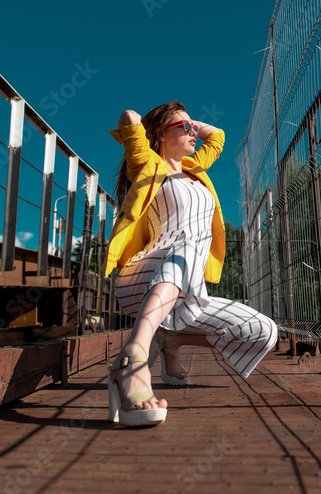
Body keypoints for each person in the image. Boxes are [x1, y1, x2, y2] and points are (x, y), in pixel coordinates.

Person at [104, 101, 278, 426]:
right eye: (183, 128)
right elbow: (128, 117)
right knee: (184, 245)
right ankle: (134, 358)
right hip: (143, 279)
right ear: (159, 134)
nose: (193, 132)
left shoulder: (195, 167)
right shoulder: (146, 164)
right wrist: (165, 124)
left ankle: (172, 339)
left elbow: (219, 136)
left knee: (263, 332)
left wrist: (186, 122)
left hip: (188, 289)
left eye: (192, 127)